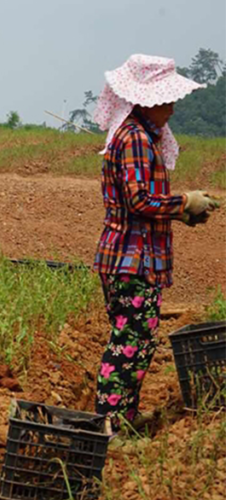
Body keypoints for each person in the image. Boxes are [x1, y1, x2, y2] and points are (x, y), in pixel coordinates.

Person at [91, 55, 218, 429]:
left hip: (131, 258)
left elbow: (141, 202)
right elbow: (139, 201)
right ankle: (111, 425)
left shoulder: (139, 135)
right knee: (128, 344)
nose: (172, 108)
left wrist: (181, 213)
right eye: (167, 100)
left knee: (138, 342)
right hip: (132, 260)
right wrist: (184, 202)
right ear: (147, 100)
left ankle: (124, 417)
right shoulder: (134, 138)